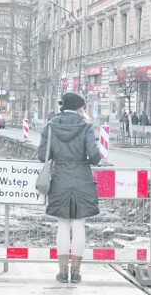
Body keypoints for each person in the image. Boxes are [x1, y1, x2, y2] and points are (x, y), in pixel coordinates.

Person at [38, 91, 101, 283]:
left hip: (60, 179)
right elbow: (94, 155)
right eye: (83, 106)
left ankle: (62, 272)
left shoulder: (50, 126)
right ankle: (76, 272)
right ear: (79, 107)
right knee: (79, 225)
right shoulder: (85, 126)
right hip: (82, 177)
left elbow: (43, 156)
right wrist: (93, 159)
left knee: (63, 225)